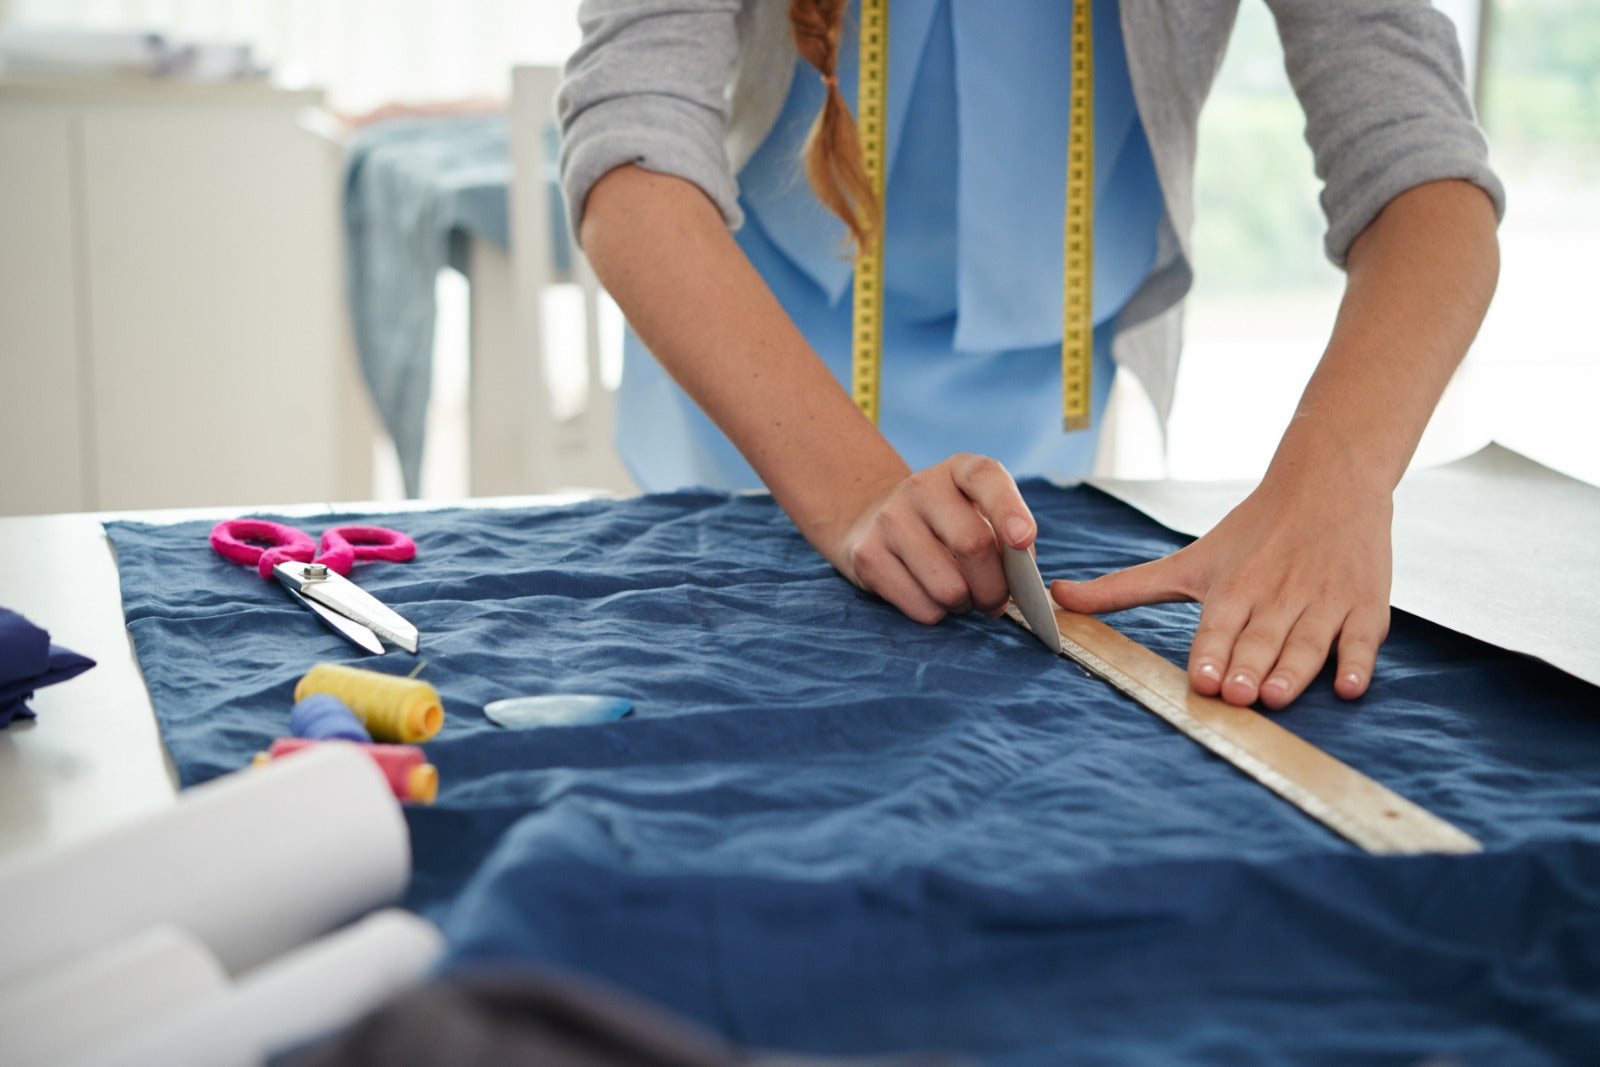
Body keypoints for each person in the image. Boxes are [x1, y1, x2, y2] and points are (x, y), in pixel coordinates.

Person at [557, 0, 1503, 710]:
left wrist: (1337, 480)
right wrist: (851, 493)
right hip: (755, 387)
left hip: (1035, 415)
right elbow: (632, 149)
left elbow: (1425, 173)